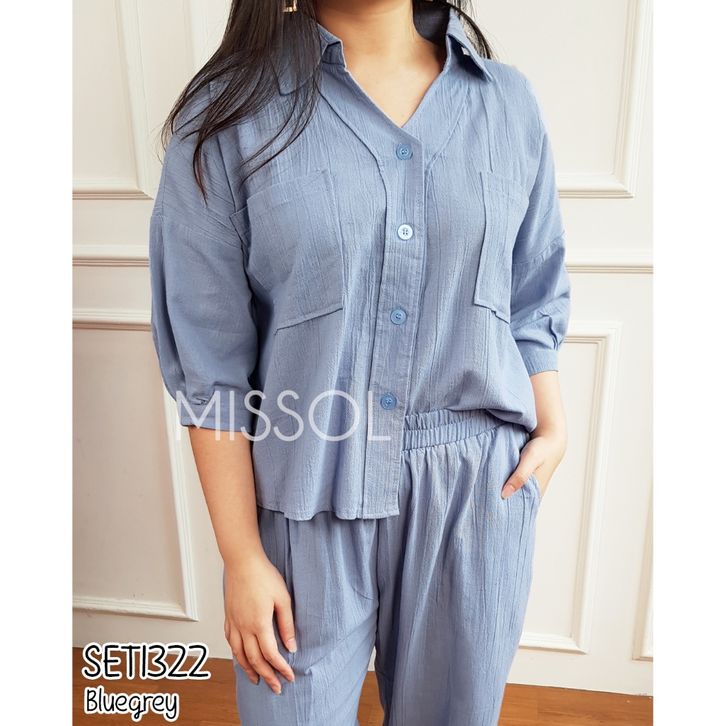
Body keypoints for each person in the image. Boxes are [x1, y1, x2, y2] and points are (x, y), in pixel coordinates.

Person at [148, 1, 571, 724]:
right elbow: (211, 369)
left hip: (473, 493)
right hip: (304, 486)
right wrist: (243, 557)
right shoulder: (225, 117)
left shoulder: (507, 104)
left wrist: (553, 428)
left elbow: (532, 298)